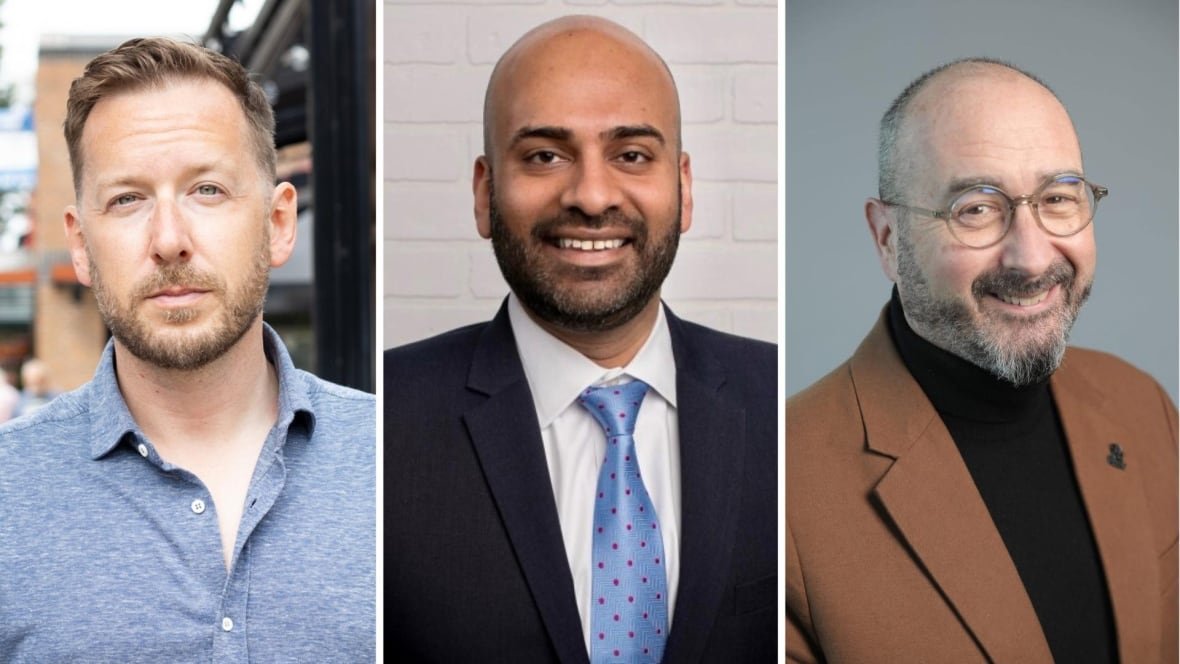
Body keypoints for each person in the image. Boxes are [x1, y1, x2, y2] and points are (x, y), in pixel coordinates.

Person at [385, 15, 776, 662]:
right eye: (544, 155)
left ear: (682, 187)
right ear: (485, 194)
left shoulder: (779, 408)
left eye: (630, 155)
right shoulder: (384, 426)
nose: (592, 197)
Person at [785, 58, 1177, 663]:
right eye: (975, 208)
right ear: (888, 238)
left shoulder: (1143, 405)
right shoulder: (784, 486)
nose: (1030, 255)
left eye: (1058, 197)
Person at [0, 38, 375, 661]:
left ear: (278, 223)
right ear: (81, 246)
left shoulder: (393, 457)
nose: (169, 240)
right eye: (127, 199)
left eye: (207, 190)